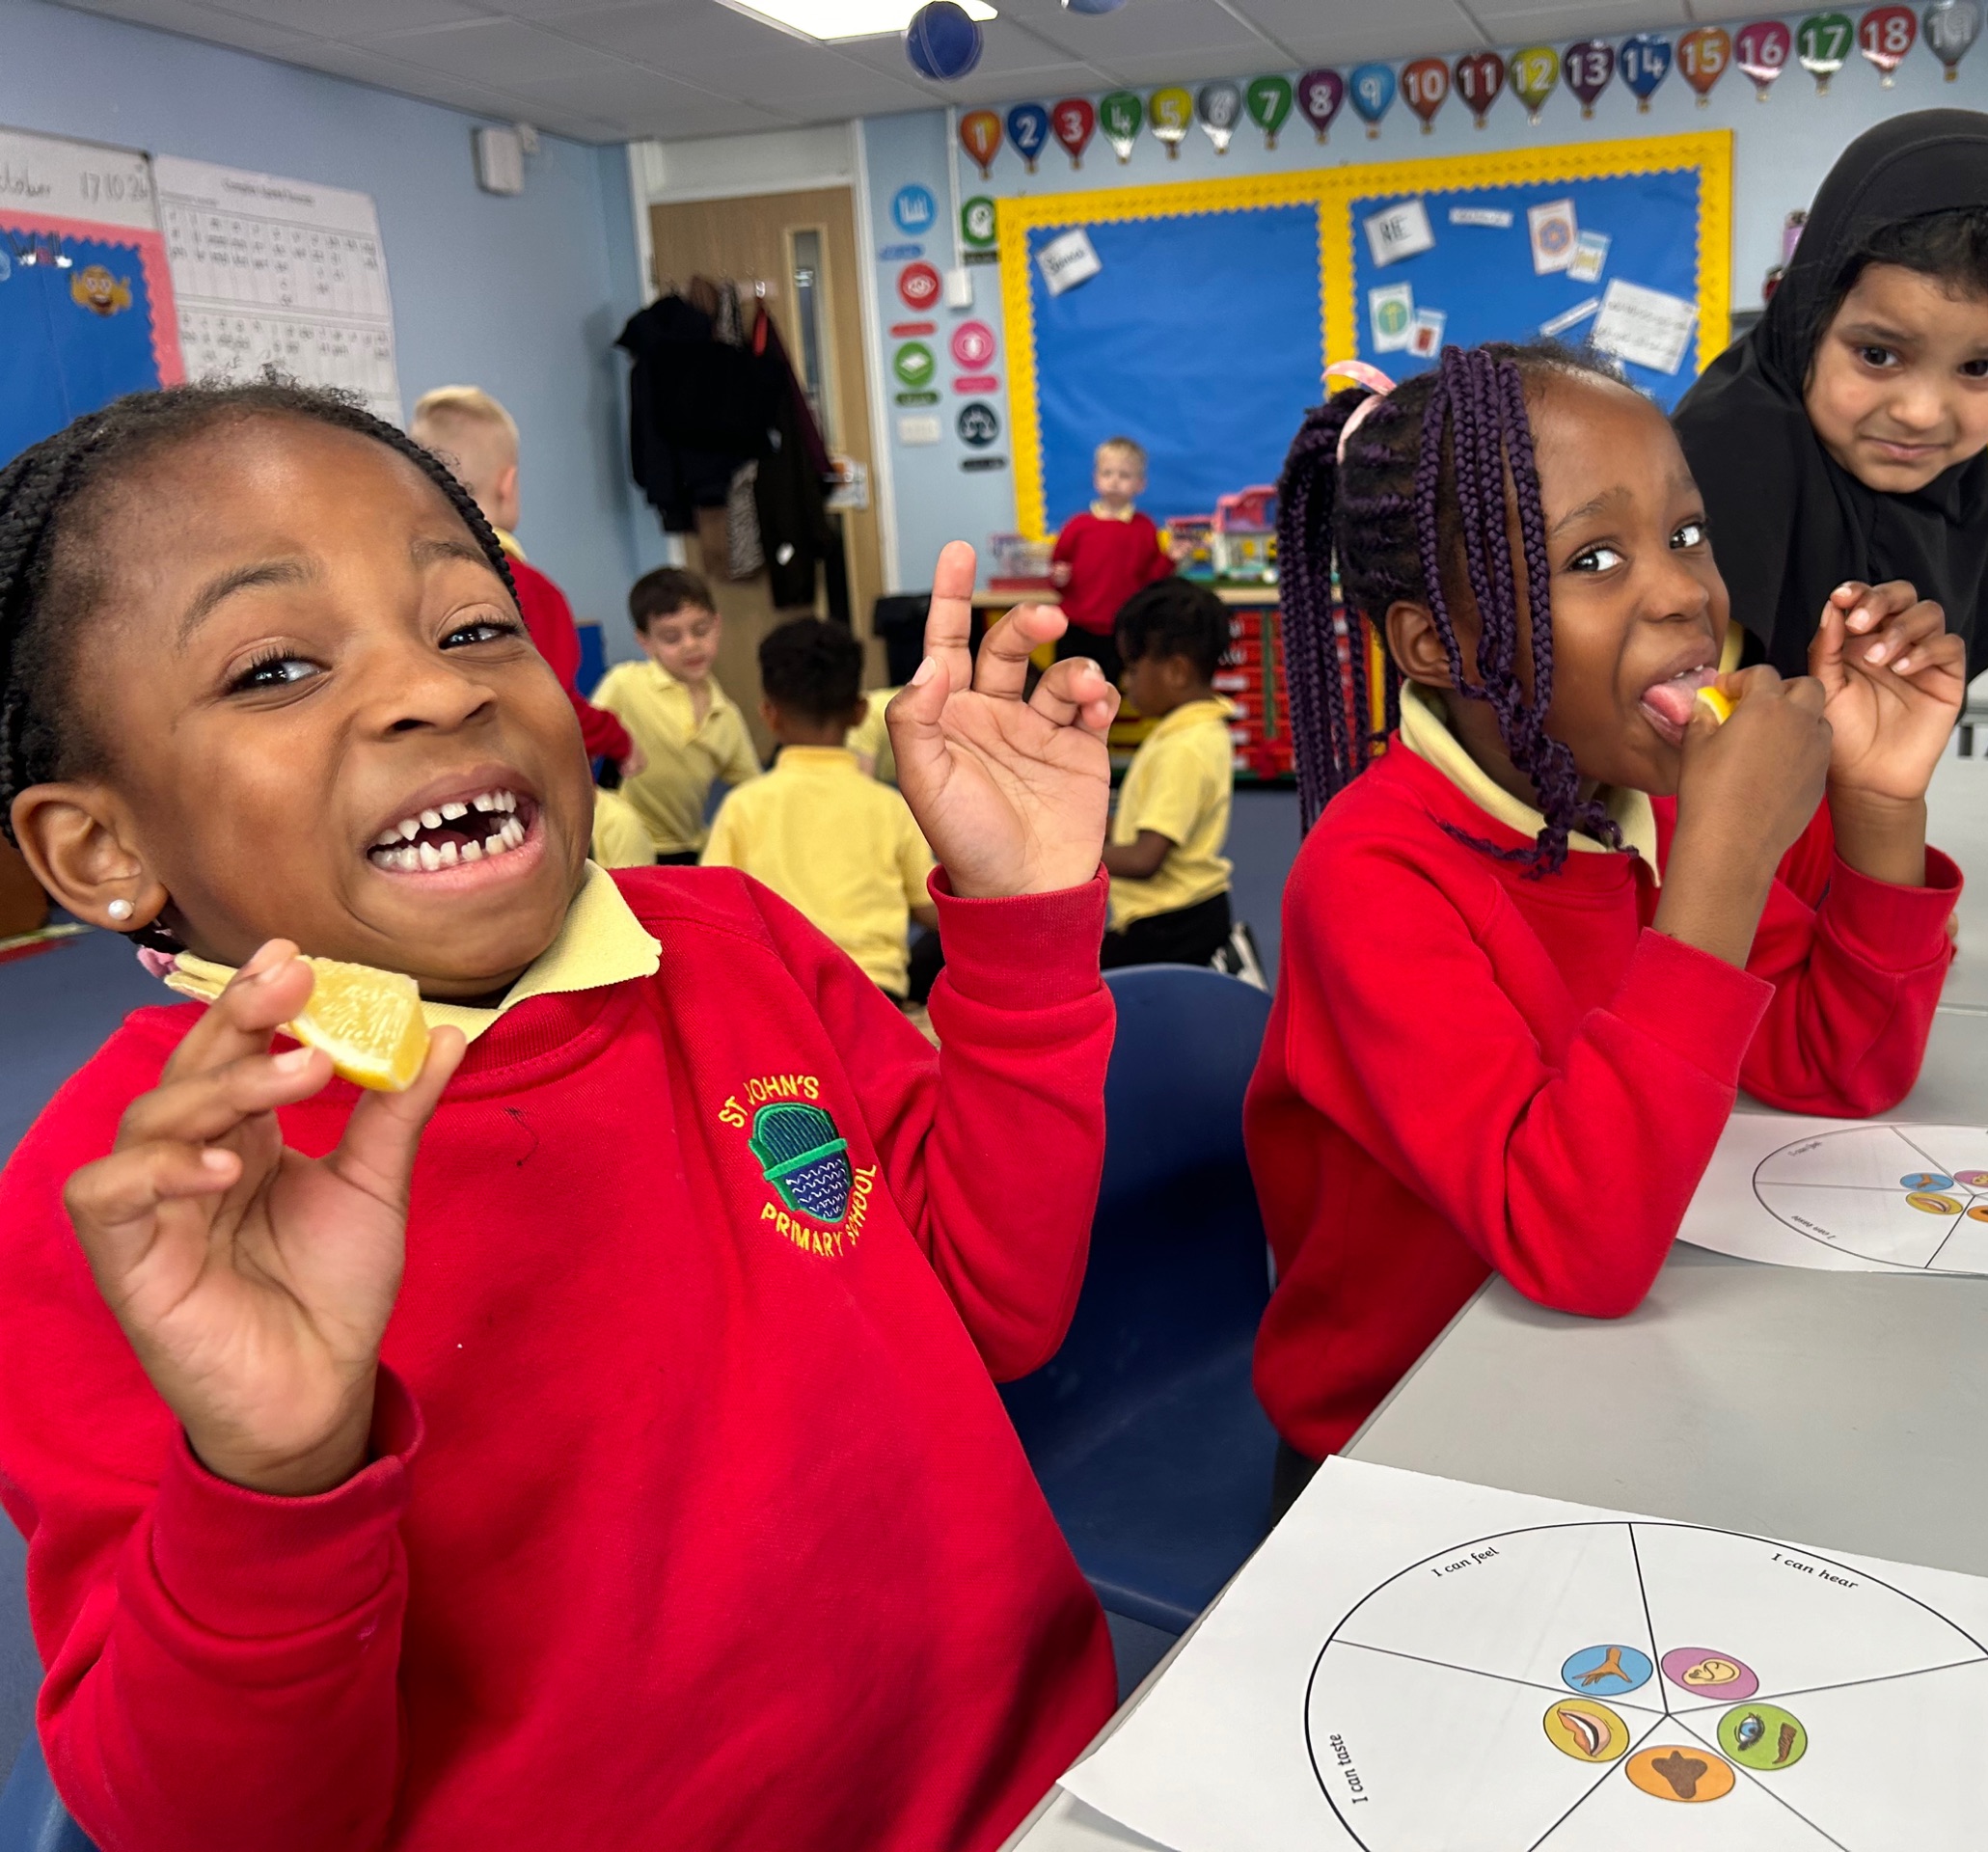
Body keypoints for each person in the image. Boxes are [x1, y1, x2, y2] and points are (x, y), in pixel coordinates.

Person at [0, 381, 1125, 1850]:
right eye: (275, 667)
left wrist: (1025, 927)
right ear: (101, 849)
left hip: (1036, 1787)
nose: (437, 691)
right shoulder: (141, 1198)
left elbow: (997, 1309)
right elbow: (220, 1825)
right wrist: (274, 1481)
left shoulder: (734, 943)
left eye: (474, 628)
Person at [1252, 345, 1968, 1511]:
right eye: (1593, 559)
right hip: (1401, 1453)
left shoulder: (1650, 802)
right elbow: (1576, 1245)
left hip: (1610, 1403)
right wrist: (1723, 867)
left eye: (1687, 534)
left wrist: (1878, 804)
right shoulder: (1371, 878)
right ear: (1438, 647)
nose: (1687, 595)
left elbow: (1838, 1065)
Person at [1672, 112, 1988, 681]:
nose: (1920, 414)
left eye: (1980, 367)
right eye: (1878, 355)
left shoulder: (1953, 479)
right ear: (1808, 322)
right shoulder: (1723, 457)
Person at [702, 617, 937, 1004]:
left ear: (769, 714)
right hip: (874, 994)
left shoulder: (742, 806)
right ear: (860, 712)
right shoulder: (890, 806)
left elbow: (711, 912)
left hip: (778, 996)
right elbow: (928, 909)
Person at [408, 387, 637, 776]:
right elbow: (557, 708)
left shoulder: (407, 587)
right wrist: (621, 742)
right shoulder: (531, 591)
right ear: (507, 484)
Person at [1099, 579, 1236, 970]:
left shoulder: (1184, 747)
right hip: (1187, 913)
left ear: (1176, 671)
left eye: (1133, 669)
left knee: (1077, 983)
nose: (1126, 683)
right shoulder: (1195, 731)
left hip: (1168, 925)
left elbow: (1145, 859)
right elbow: (1151, 823)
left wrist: (1063, 856)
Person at [590, 567, 760, 862]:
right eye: (671, 637)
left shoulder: (726, 715)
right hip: (627, 846)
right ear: (645, 642)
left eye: (701, 630)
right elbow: (581, 736)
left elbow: (752, 786)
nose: (690, 645)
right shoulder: (625, 684)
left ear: (717, 625)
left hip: (688, 845)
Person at [1047, 436, 1176, 683]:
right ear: (1096, 478)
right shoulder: (1077, 526)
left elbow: (1150, 581)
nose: (1114, 481)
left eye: (1124, 475)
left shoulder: (1145, 528)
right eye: (1107, 473)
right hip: (1076, 627)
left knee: (1107, 693)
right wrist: (1059, 578)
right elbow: (1058, 571)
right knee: (1065, 689)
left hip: (1121, 630)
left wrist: (1170, 559)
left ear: (1140, 484)